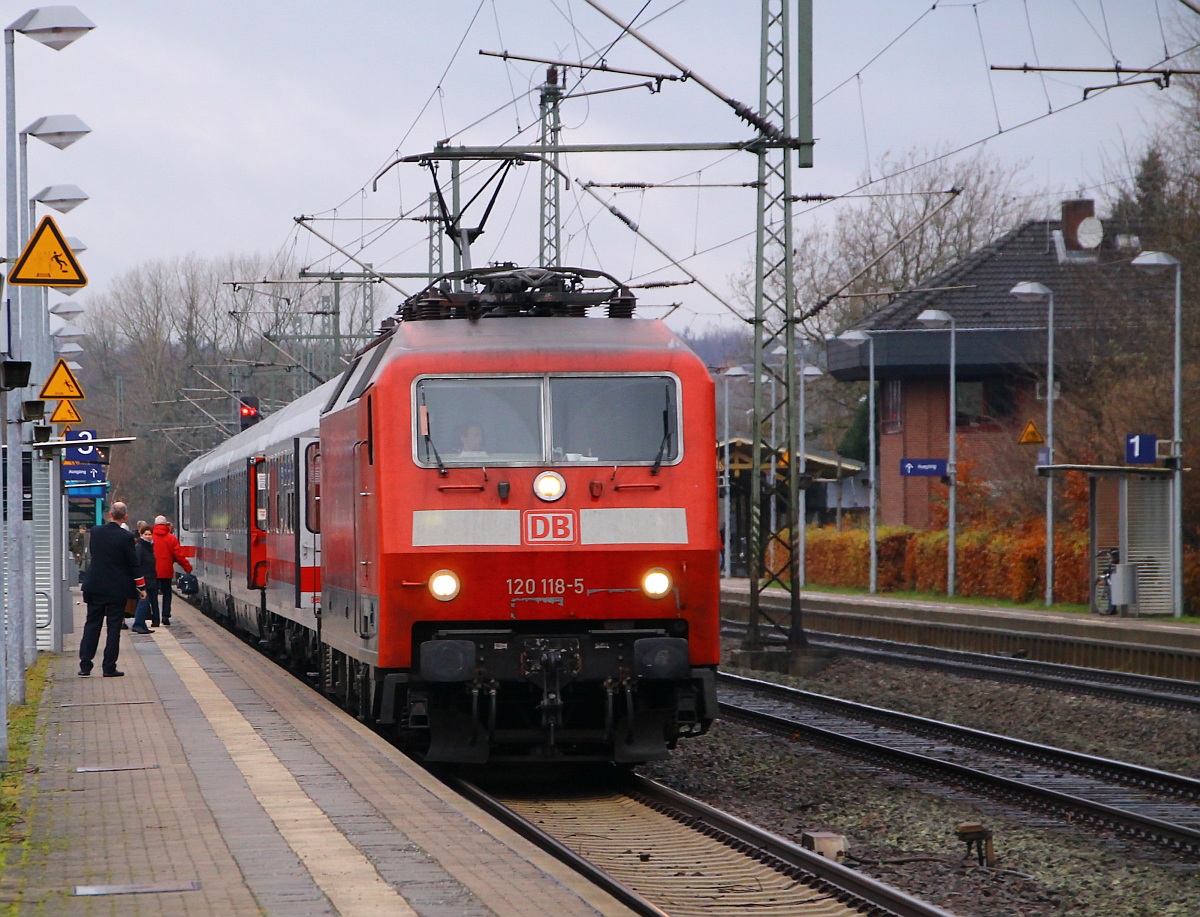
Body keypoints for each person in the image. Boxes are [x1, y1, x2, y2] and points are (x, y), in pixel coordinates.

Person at [79, 502, 145, 677]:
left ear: (109, 514)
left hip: (94, 585)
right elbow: (133, 564)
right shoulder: (126, 537)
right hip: (117, 588)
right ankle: (109, 667)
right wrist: (141, 587)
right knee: (113, 627)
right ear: (125, 517)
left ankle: (85, 665)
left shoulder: (96, 532)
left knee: (92, 624)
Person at [152, 515, 192, 626]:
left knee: (153, 594)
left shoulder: (150, 538)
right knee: (167, 593)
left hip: (152, 571)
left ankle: (155, 617)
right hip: (166, 571)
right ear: (165, 525)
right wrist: (188, 568)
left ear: (155, 525)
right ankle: (165, 615)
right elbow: (179, 556)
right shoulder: (171, 538)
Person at [130, 521, 159, 634]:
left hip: (150, 578)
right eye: (145, 534)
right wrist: (139, 581)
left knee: (145, 603)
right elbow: (138, 564)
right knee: (143, 602)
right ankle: (138, 624)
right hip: (144, 579)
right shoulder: (140, 548)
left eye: (149, 534)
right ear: (141, 535)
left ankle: (141, 624)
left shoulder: (148, 547)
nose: (148, 536)